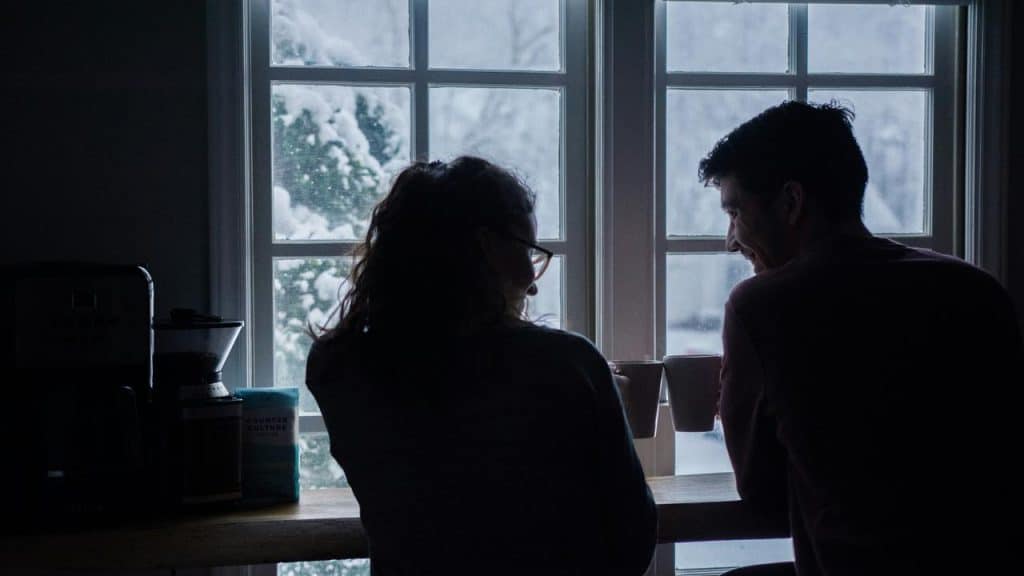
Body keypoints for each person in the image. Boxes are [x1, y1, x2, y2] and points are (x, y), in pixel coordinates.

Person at [699, 101, 1022, 576]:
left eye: (736, 212)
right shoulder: (975, 290)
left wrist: (735, 398)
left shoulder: (763, 306)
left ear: (791, 202)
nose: (731, 239)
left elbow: (762, 493)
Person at [306, 156, 657, 576]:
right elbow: (633, 538)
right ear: (487, 248)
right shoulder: (569, 365)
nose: (533, 279)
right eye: (527, 251)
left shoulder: (336, 366)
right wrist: (603, 401)